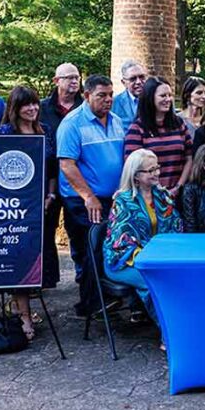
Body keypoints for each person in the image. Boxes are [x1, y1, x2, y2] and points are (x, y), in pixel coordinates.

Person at [0, 86, 60, 340]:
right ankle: (23, 315)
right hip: (14, 209)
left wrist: (50, 195)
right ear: (14, 108)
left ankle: (24, 306)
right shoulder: (3, 133)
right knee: (19, 259)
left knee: (38, 258)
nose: (32, 108)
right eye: (26, 105)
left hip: (43, 205)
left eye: (34, 103)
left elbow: (52, 168)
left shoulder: (46, 130)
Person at [57, 75, 126, 316]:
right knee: (91, 249)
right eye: (101, 95)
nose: (108, 100)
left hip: (112, 198)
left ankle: (105, 298)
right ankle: (90, 305)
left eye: (111, 95)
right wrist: (88, 196)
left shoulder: (117, 121)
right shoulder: (72, 124)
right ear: (87, 96)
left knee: (109, 247)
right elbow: (67, 165)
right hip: (83, 200)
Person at [104, 149, 183, 322]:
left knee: (179, 277)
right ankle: (168, 330)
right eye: (151, 170)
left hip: (158, 257)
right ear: (136, 176)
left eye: (157, 168)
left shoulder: (162, 195)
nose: (157, 173)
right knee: (155, 284)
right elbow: (122, 242)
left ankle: (182, 323)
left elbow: (175, 227)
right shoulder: (123, 201)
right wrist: (151, 259)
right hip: (124, 261)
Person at [124, 77, 193, 195]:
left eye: (170, 95)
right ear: (150, 98)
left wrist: (178, 187)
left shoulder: (179, 124)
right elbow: (133, 167)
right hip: (149, 195)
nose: (168, 99)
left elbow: (189, 157)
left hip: (179, 193)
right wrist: (159, 191)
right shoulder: (137, 129)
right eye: (163, 96)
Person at [40, 63, 84, 134]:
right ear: (56, 81)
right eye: (70, 78)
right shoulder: (41, 108)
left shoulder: (86, 107)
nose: (74, 81)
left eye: (77, 78)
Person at [111, 59, 149, 125]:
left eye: (141, 77)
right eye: (133, 79)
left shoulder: (155, 100)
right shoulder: (114, 103)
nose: (138, 82)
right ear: (124, 82)